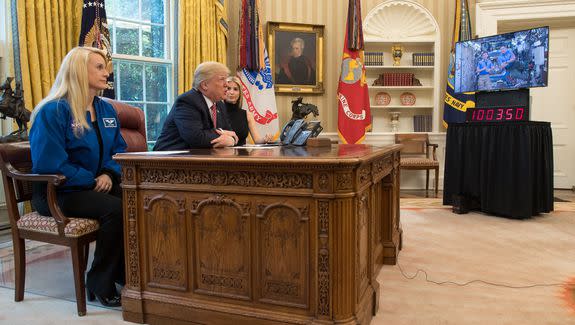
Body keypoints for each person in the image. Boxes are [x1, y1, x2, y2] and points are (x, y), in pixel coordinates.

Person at [29, 47, 126, 307]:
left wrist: (107, 173)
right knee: (116, 210)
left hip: (95, 183)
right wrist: (92, 180)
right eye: (99, 67)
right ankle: (99, 281)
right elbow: (50, 163)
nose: (107, 73)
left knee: (137, 200)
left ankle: (123, 272)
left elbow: (119, 149)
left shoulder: (106, 109)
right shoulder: (53, 111)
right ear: (79, 71)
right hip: (57, 192)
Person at [153, 61, 238, 150]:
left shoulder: (219, 104)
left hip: (200, 157)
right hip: (168, 159)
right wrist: (223, 133)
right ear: (205, 85)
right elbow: (196, 137)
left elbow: (232, 134)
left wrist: (231, 140)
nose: (227, 84)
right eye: (222, 79)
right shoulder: (188, 101)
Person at [224, 76, 273, 145]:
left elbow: (257, 140)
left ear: (240, 93)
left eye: (235, 89)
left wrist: (265, 139)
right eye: (228, 88)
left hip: (243, 154)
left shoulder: (247, 115)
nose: (231, 92)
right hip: (222, 154)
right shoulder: (216, 112)